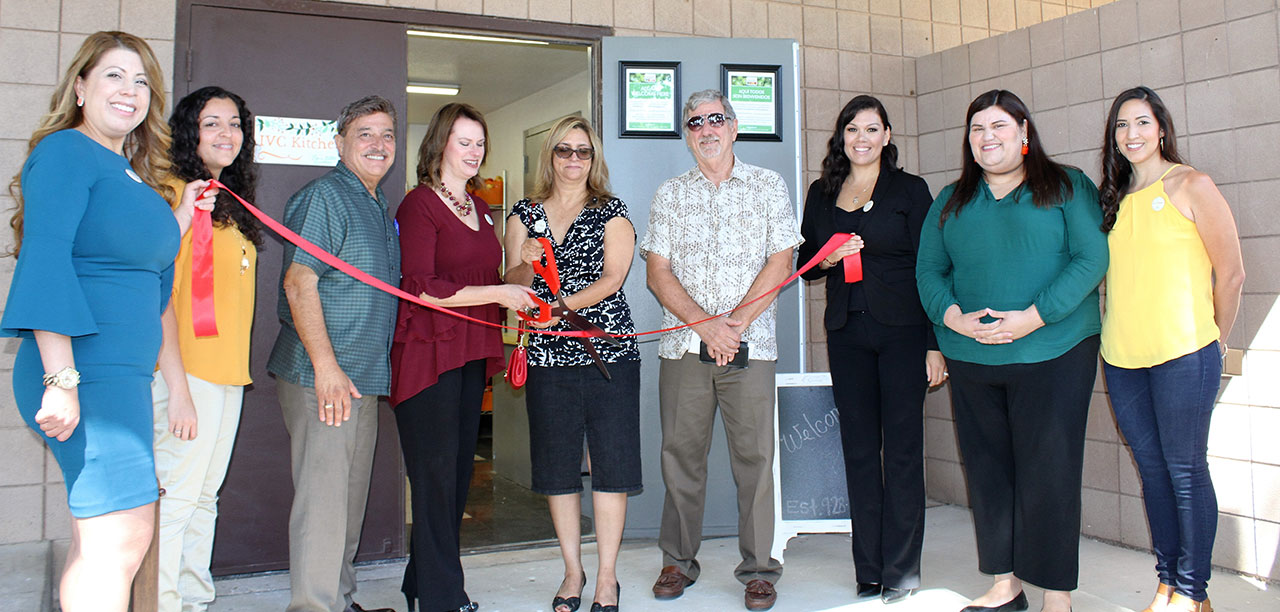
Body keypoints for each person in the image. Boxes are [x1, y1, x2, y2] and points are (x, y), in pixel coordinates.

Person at [1, 31, 214, 612]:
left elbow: (143, 277)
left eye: (142, 81)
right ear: (79, 87)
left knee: (110, 539)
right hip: (82, 372)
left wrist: (183, 211)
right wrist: (61, 381)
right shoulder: (66, 152)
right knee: (117, 540)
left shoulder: (127, 173)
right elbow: (47, 261)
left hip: (118, 377)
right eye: (114, 76)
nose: (130, 90)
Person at [915, 89, 1108, 612]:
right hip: (973, 356)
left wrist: (1030, 318)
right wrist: (954, 318)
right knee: (988, 471)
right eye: (977, 129)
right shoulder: (951, 199)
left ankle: (1057, 594)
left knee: (1050, 472)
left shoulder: (1066, 186)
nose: (987, 137)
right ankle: (1006, 584)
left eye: (999, 126)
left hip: (1054, 351)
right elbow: (929, 271)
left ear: (1024, 132)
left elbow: (1091, 260)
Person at [640, 89, 801, 611]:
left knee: (755, 461)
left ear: (734, 127)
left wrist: (734, 325)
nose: (705, 129)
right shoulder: (670, 193)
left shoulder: (768, 186)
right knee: (680, 458)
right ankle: (677, 562)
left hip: (752, 346)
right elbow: (657, 272)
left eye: (716, 119)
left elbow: (780, 262)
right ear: (686, 135)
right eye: (694, 123)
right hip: (684, 348)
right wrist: (707, 328)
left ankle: (758, 568)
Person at [1098, 86, 1244, 612]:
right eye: (1121, 126)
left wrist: (1216, 342)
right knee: (1153, 473)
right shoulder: (1111, 201)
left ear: (1161, 127)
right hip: (1122, 358)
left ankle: (1194, 593)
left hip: (1185, 352)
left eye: (1141, 122)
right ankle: (1167, 583)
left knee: (1185, 471)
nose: (1131, 134)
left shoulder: (1191, 184)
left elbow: (1231, 274)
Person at [389, 102, 537, 612]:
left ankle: (420, 583)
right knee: (432, 481)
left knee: (453, 481)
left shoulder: (480, 209)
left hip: (471, 354)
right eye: (463, 141)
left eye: (479, 143)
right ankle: (443, 599)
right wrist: (499, 296)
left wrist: (521, 277)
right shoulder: (419, 205)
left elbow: (490, 282)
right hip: (428, 356)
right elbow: (422, 290)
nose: (473, 151)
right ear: (440, 144)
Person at [797, 95, 944, 606]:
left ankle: (902, 570)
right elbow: (805, 262)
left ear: (887, 136)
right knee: (859, 451)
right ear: (842, 137)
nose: (862, 138)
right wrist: (828, 256)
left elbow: (933, 265)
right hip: (846, 332)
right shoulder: (822, 191)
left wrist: (934, 345)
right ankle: (869, 569)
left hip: (904, 332)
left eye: (872, 129)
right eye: (852, 129)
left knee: (901, 452)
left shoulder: (910, 190)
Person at [266, 95, 400, 612]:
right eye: (365, 133)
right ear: (339, 142)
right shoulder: (325, 196)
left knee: (347, 500)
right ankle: (314, 607)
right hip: (322, 377)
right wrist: (325, 368)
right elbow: (300, 283)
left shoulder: (374, 202)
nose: (378, 144)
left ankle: (339, 601)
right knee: (323, 505)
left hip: (361, 378)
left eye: (387, 134)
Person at [504, 116, 641, 612]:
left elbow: (614, 278)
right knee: (558, 468)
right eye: (564, 150)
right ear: (550, 157)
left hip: (608, 354)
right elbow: (512, 280)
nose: (573, 160)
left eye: (583, 151)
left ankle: (606, 578)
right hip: (544, 357)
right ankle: (572, 572)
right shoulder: (524, 213)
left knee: (612, 465)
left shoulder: (611, 210)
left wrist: (561, 309)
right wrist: (523, 256)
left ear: (594, 158)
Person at [147, 86, 262, 612]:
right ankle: (161, 602)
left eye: (234, 123)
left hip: (225, 376)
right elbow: (157, 297)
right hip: (183, 375)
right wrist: (177, 390)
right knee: (175, 501)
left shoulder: (228, 204)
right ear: (189, 131)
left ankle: (192, 599)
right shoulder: (172, 195)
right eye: (211, 122)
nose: (226, 133)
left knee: (203, 499)